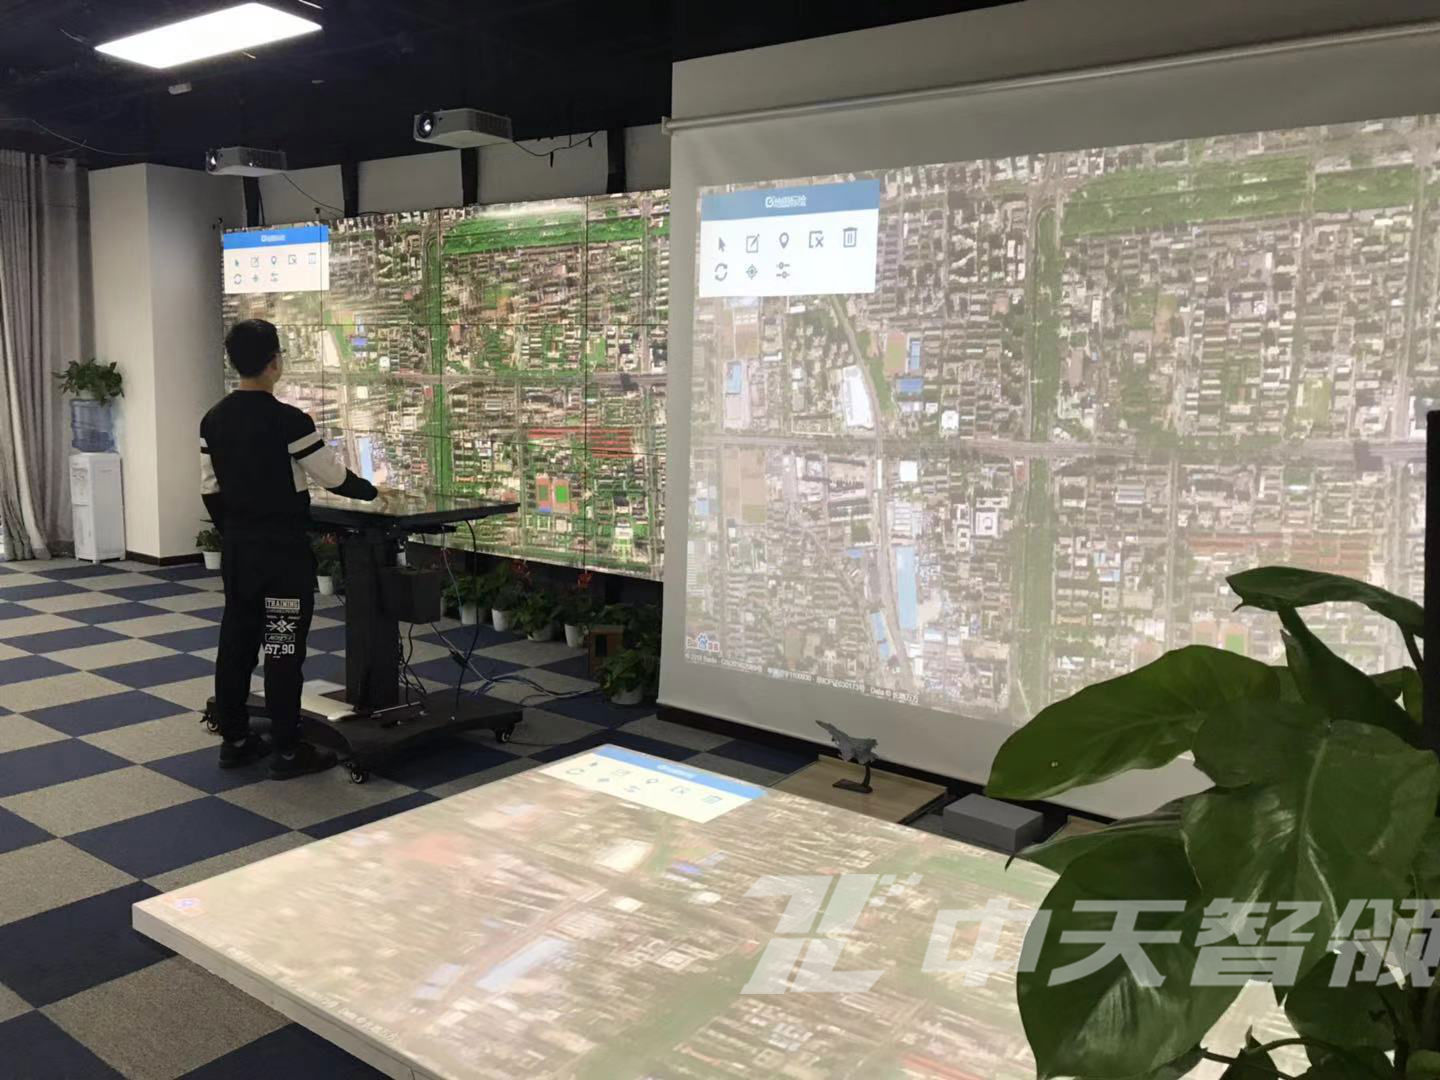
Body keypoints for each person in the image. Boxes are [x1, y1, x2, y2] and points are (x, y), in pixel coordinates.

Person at [202, 319, 377, 778]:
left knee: (237, 644)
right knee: (282, 648)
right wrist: (372, 493)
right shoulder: (289, 421)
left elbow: (209, 489)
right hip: (281, 558)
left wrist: (237, 530)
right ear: (275, 363)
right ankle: (286, 749)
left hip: (240, 556)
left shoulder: (213, 420)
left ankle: (235, 741)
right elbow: (332, 476)